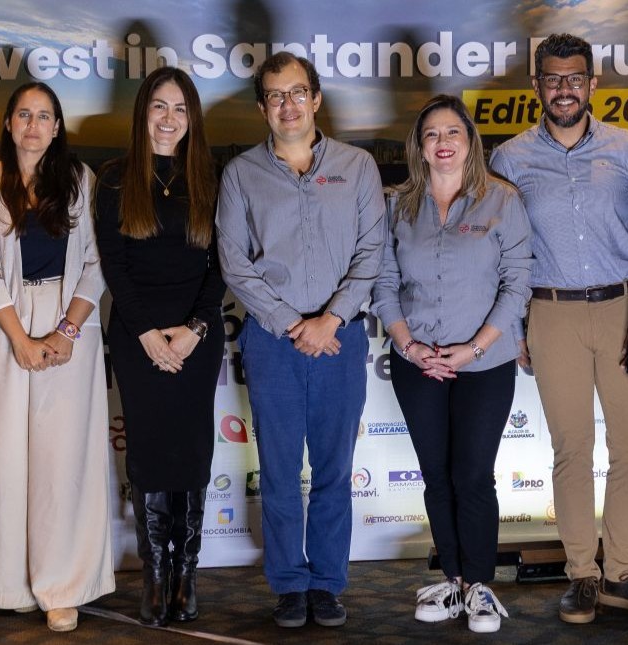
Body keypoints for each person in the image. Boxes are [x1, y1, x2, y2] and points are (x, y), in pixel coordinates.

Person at [488, 33, 628, 624]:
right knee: (571, 449)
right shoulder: (509, 159)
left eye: (575, 78)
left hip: (623, 308)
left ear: (592, 83)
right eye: (554, 79)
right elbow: (503, 254)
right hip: (551, 311)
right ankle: (583, 575)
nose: (565, 89)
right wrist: (515, 328)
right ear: (536, 85)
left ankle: (623, 573)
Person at [217, 51, 384, 629]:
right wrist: (294, 324)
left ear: (315, 98)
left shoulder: (357, 166)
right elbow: (235, 264)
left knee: (335, 470)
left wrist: (330, 320)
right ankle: (289, 584)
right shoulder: (241, 174)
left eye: (296, 93)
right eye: (275, 96)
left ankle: (327, 584)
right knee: (280, 471)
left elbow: (371, 252)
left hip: (340, 340)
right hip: (273, 342)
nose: (287, 105)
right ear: (262, 107)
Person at [372, 94, 532, 633]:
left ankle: (481, 585)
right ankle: (453, 581)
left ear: (469, 142)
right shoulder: (398, 205)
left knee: (472, 475)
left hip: (484, 364)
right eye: (432, 134)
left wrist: (474, 349)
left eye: (452, 133)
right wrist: (409, 346)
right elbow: (385, 282)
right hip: (417, 363)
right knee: (437, 476)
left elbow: (517, 285)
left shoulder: (502, 200)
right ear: (420, 147)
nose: (443, 142)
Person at [0, 81, 113, 633]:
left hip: (70, 323)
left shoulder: (79, 179)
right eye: (23, 115)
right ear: (8, 123)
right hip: (6, 323)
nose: (33, 125)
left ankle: (62, 587)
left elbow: (97, 260)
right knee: (6, 456)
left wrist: (67, 330)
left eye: (44, 116)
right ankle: (12, 583)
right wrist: (20, 340)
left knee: (62, 459)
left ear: (57, 126)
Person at [94, 67, 224, 627]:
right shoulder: (115, 179)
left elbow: (224, 265)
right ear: (142, 113)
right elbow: (114, 265)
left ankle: (186, 574)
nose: (169, 119)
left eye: (180, 109)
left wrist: (194, 328)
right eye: (159, 107)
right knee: (147, 452)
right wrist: (147, 333)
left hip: (197, 337)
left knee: (192, 450)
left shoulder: (211, 178)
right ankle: (154, 574)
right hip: (136, 336)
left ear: (192, 118)